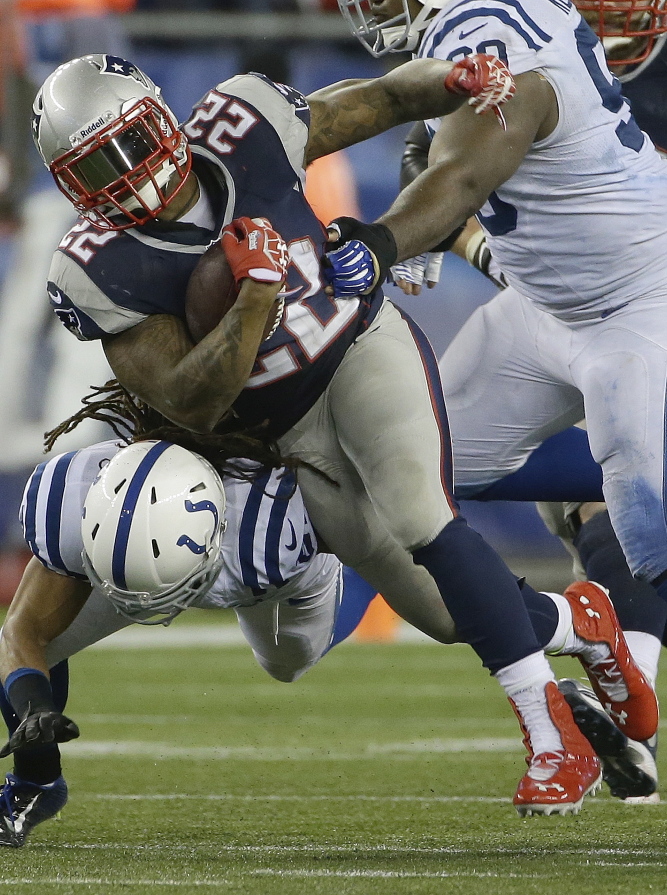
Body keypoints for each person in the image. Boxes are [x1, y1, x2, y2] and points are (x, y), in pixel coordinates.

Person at [31, 54, 657, 818]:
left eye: (130, 141)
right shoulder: (98, 266)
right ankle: (586, 623)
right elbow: (190, 402)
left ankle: (550, 737)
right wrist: (254, 302)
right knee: (441, 611)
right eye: (96, 164)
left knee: (421, 514)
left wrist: (448, 84)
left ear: (162, 117)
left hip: (358, 346)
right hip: (287, 429)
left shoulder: (242, 122)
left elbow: (378, 98)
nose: (126, 172)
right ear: (71, 185)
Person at [332, 0, 667, 793]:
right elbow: (442, 154)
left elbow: (468, 170)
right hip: (543, 309)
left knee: (646, 523)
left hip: (639, 305)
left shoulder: (490, 28)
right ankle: (578, 634)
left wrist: (381, 243)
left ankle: (632, 682)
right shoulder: (485, 30)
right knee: (401, 477)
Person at [0, 402, 387, 846]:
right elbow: (21, 633)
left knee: (286, 663)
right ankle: (35, 787)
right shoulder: (73, 498)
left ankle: (355, 580)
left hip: (251, 567)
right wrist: (33, 706)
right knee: (22, 659)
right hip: (120, 564)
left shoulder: (271, 537)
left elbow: (369, 512)